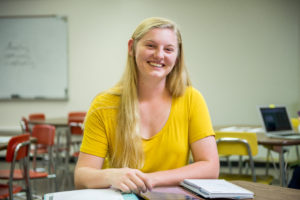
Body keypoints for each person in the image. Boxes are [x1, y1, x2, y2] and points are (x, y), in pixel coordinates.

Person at [74, 17, 219, 194]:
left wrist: (151, 179)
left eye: (168, 49)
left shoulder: (191, 99)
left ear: (177, 55)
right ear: (131, 48)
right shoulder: (103, 105)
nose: (159, 55)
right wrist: (110, 176)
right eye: (150, 46)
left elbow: (210, 167)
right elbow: (81, 177)